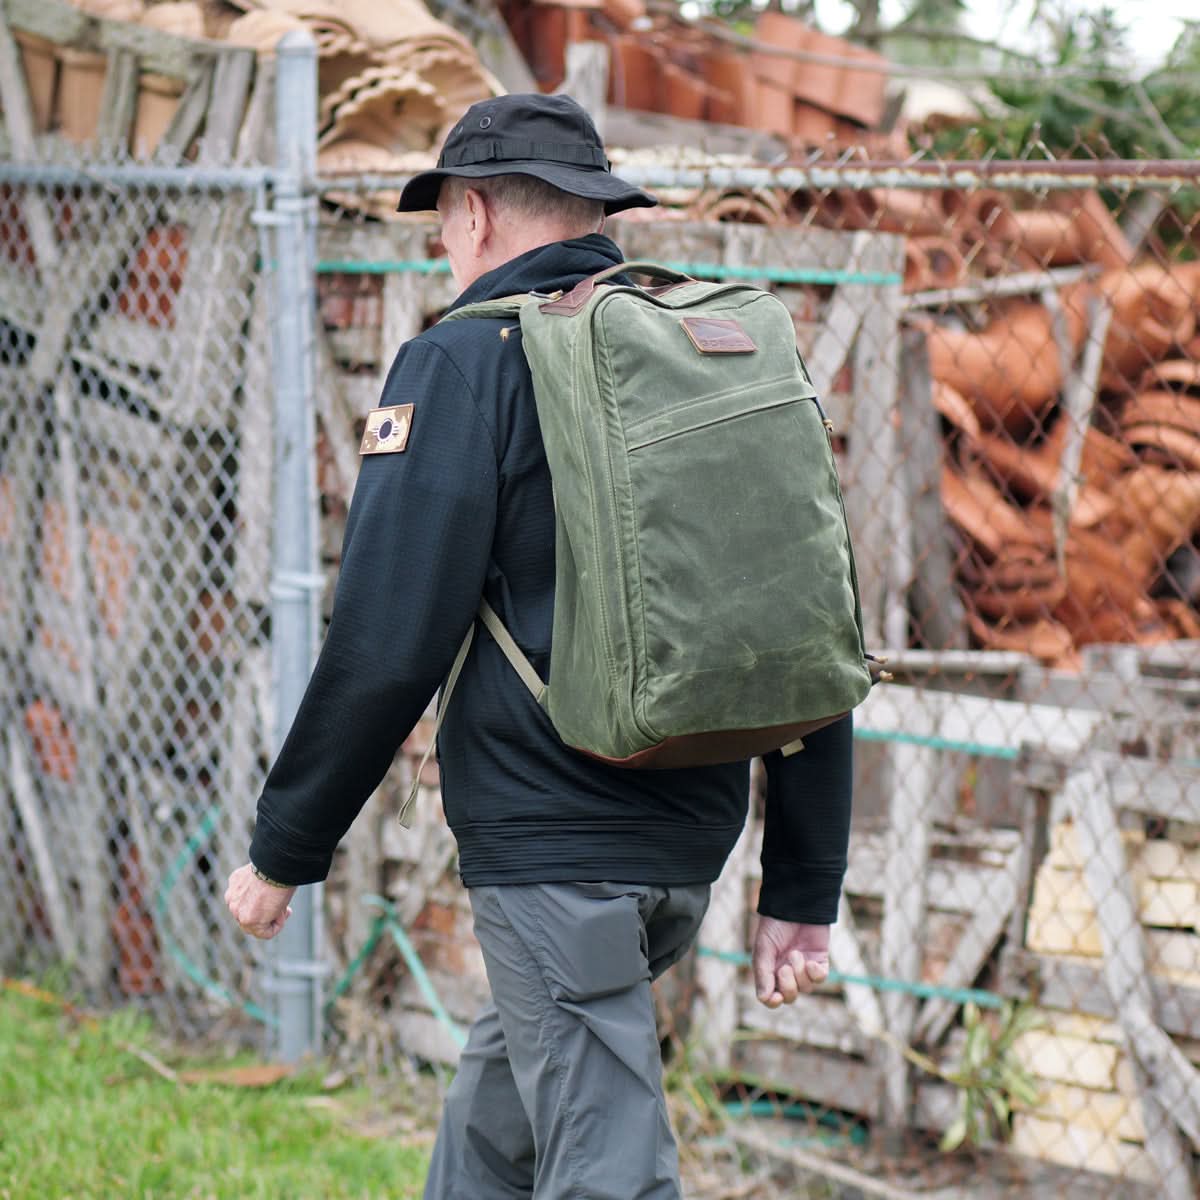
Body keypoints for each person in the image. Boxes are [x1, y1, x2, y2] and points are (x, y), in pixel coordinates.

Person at [225, 92, 854, 1200]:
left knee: (607, 1169)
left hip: (555, 852)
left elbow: (384, 641)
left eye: (441, 229)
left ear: (472, 214)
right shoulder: (712, 354)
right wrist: (801, 881)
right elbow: (801, 620)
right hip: (684, 844)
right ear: (593, 212)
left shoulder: (461, 365)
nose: (441, 251)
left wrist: (286, 846)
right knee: (497, 1132)